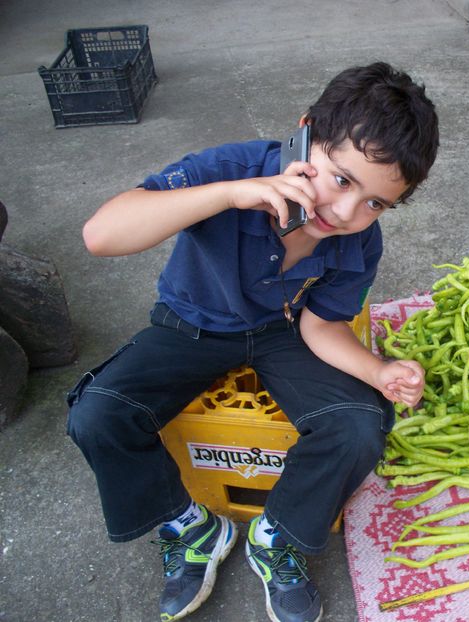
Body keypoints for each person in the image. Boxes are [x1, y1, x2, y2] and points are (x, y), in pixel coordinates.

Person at [67, 62, 439, 622]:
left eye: (375, 203)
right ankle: (190, 527)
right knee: (98, 416)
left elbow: (321, 325)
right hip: (188, 325)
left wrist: (379, 373)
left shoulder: (359, 243)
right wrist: (229, 195)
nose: (345, 212)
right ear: (305, 131)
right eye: (340, 179)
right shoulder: (231, 169)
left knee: (361, 423)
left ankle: (278, 534)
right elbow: (102, 235)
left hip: (282, 333)